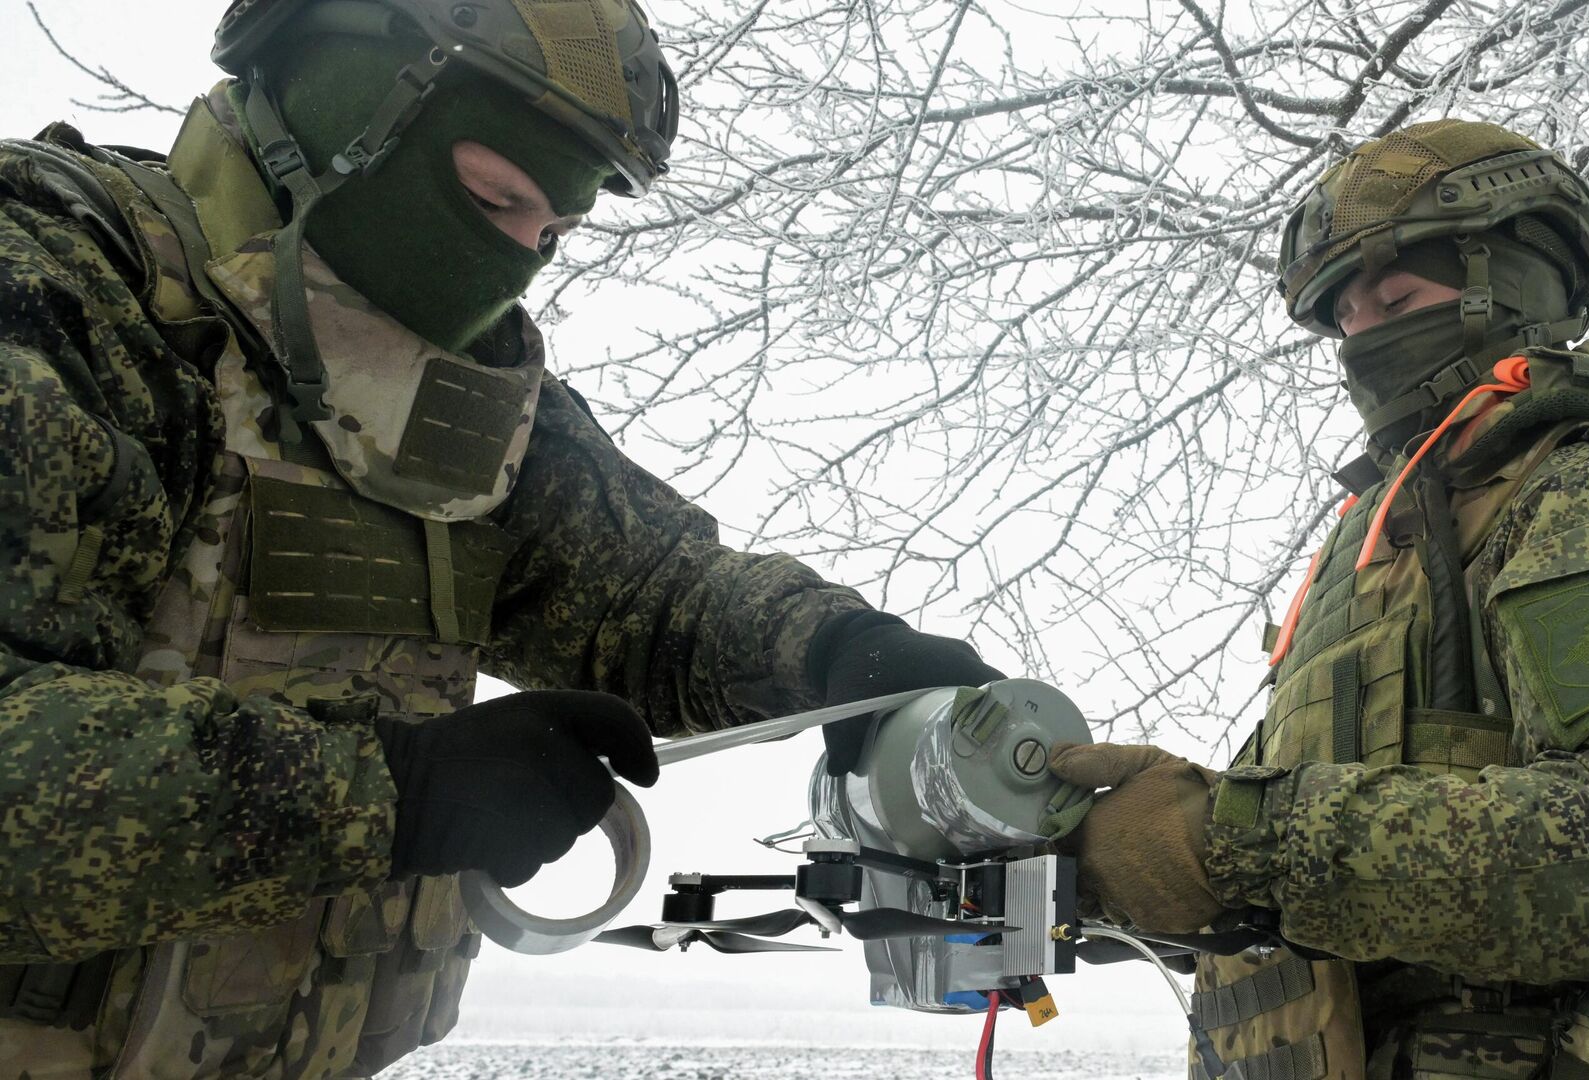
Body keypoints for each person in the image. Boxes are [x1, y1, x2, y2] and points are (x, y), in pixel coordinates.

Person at [0, 1, 999, 1075]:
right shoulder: (64, 285)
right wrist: (391, 794)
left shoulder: (451, 388)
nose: (517, 259)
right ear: (347, 118)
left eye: (552, 234)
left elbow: (644, 593)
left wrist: (835, 651)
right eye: (493, 199)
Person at [1047, 120, 1589, 1078]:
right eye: (1345, 318)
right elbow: (1343, 889)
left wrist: (1235, 842)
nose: (1363, 338)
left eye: (1396, 297)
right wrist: (1132, 867)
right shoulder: (1376, 544)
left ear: (1516, 283)